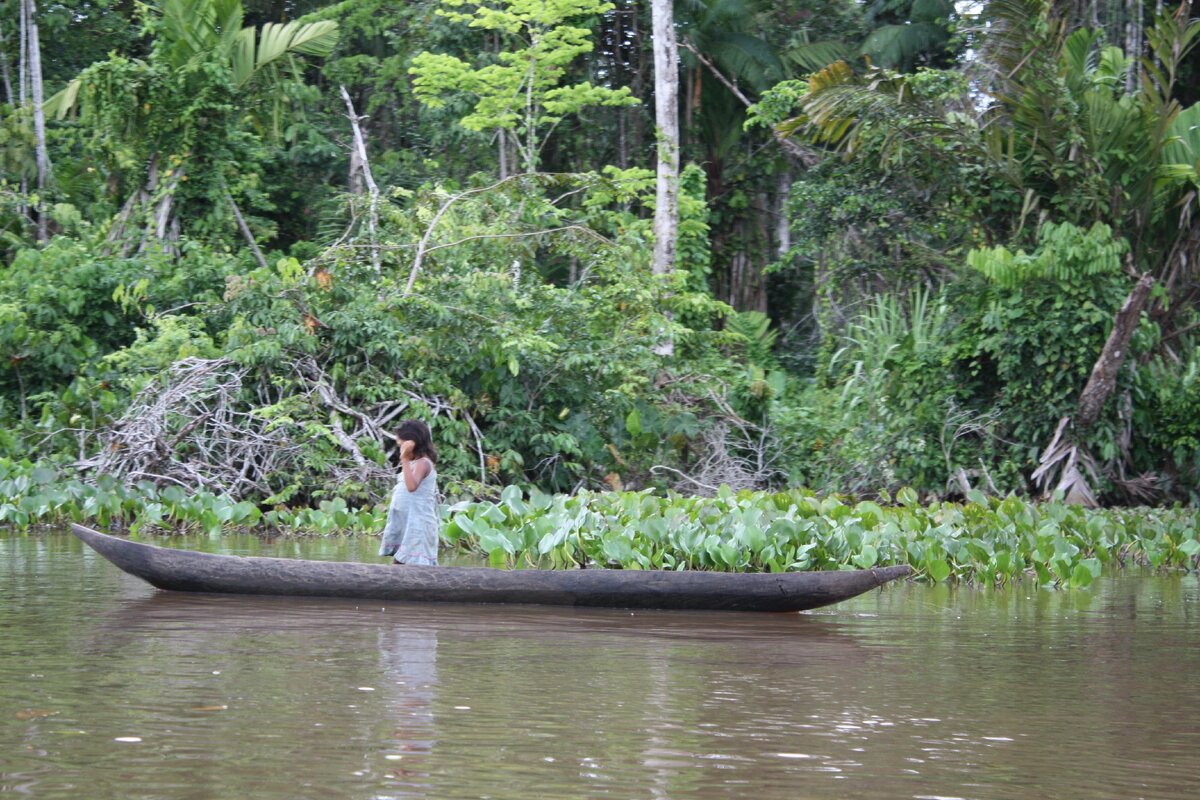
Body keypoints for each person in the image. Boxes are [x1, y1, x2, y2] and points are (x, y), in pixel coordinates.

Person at [379, 419, 440, 566]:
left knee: (416, 566)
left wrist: (404, 459)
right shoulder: (415, 463)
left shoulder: (423, 463)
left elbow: (411, 486)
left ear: (412, 443)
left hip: (418, 525)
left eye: (402, 444)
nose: (400, 447)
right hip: (408, 523)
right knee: (400, 563)